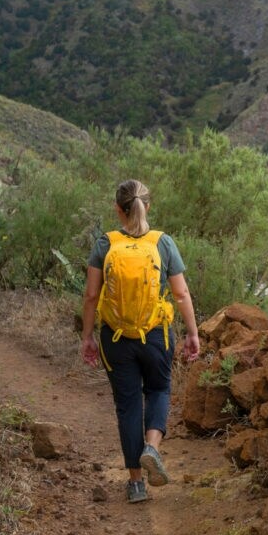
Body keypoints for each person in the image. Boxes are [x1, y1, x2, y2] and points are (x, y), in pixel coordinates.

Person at [81, 179, 200, 503]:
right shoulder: (163, 243)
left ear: (118, 209)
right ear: (147, 207)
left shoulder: (105, 243)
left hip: (116, 338)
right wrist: (192, 333)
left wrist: (88, 336)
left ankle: (136, 484)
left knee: (128, 405)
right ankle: (152, 447)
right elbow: (180, 293)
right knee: (159, 389)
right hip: (157, 335)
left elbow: (92, 295)